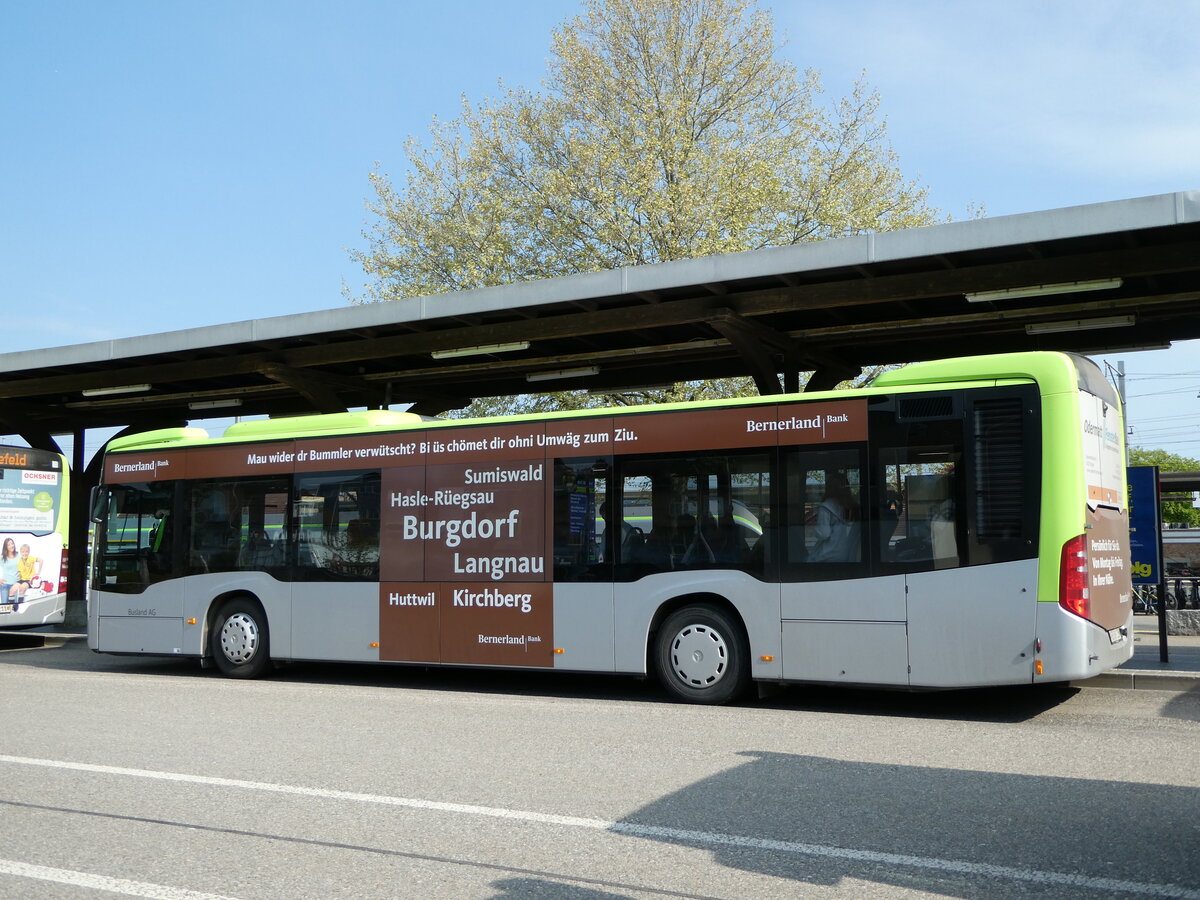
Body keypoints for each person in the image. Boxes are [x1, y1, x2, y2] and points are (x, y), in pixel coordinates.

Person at [808, 472, 861, 563]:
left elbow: (823, 534)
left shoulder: (825, 507)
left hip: (828, 555)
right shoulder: (852, 506)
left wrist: (815, 528)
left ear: (828, 488)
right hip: (847, 554)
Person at [0, 538, 19, 604]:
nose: (11, 546)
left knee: (15, 607)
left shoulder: (19, 555)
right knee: (4, 607)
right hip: (5, 585)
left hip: (15, 585)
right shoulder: (2, 557)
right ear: (6, 547)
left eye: (12, 543)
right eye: (9, 545)